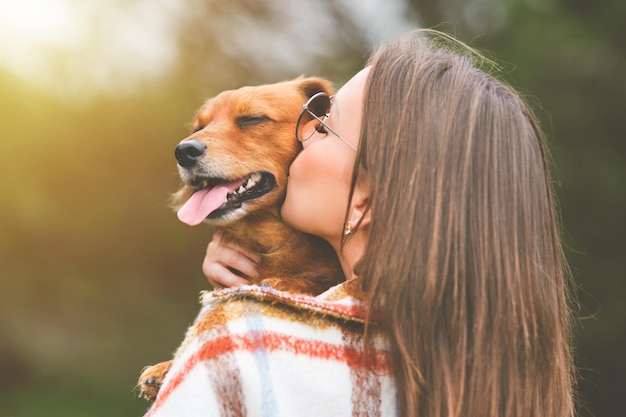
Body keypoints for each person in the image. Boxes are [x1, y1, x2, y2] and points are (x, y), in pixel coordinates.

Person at [145, 29, 576, 417]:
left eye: (326, 128)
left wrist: (228, 329)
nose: (307, 135)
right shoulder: (488, 365)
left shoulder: (244, 342)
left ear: (367, 202)